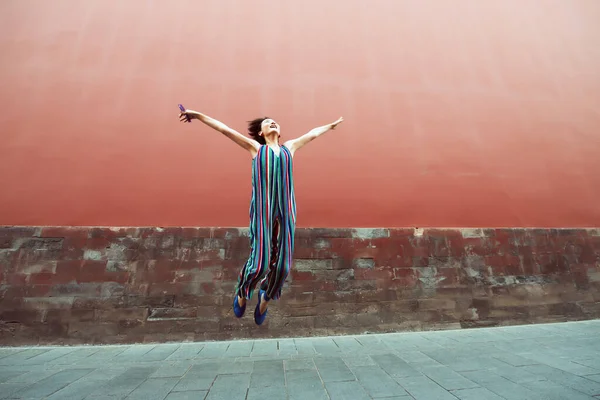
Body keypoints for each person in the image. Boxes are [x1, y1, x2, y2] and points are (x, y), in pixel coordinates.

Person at [179, 107, 343, 325]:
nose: (272, 123)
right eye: (267, 123)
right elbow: (224, 129)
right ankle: (243, 291)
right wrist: (198, 115)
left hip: (286, 209)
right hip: (263, 209)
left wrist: (329, 127)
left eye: (275, 122)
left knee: (283, 266)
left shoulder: (289, 148)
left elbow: (311, 133)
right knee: (260, 264)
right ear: (260, 133)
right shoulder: (256, 149)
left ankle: (265, 296)